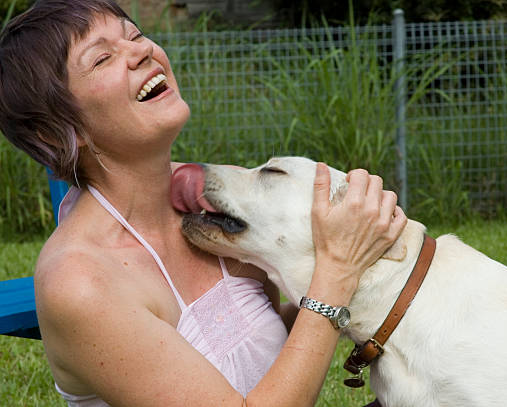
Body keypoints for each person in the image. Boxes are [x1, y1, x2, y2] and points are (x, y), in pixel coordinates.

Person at [0, 1, 406, 406]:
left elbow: (268, 343)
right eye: (103, 57)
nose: (141, 51)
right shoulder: (81, 281)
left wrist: (360, 246)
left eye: (135, 34)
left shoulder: (214, 202)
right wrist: (336, 273)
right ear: (57, 132)